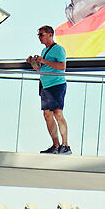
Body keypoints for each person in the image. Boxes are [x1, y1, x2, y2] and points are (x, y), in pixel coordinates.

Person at [26, 26, 69, 154]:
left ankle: (65, 145)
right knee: (47, 115)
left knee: (57, 113)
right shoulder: (44, 50)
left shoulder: (58, 49)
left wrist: (43, 60)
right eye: (38, 35)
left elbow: (62, 66)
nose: (39, 37)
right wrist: (33, 62)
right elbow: (41, 69)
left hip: (56, 84)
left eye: (41, 34)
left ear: (50, 35)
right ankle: (55, 145)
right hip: (45, 85)